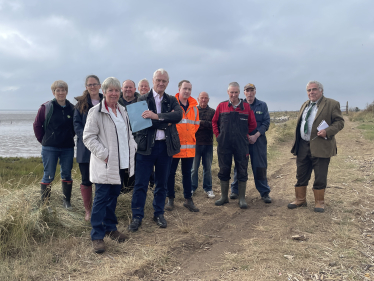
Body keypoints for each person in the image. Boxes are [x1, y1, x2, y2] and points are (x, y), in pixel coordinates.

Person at [83, 77, 137, 253]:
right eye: (110, 90)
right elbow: (88, 137)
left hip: (120, 163)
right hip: (105, 164)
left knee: (113, 197)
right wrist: (104, 154)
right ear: (104, 92)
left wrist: (132, 147)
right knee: (101, 200)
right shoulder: (96, 112)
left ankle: (110, 228)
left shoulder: (122, 111)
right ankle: (97, 236)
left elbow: (127, 134)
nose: (114, 93)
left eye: (116, 90)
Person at [128, 69, 183, 232]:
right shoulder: (142, 99)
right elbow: (138, 124)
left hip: (165, 147)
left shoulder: (172, 100)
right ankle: (137, 216)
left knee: (161, 183)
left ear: (167, 83)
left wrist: (155, 116)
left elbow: (178, 116)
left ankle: (158, 213)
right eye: (158, 80)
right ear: (153, 81)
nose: (161, 83)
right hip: (145, 148)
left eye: (164, 81)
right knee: (141, 184)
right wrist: (166, 120)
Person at [288, 81, 344, 213]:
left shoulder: (331, 104)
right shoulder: (305, 105)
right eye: (308, 90)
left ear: (321, 91)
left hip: (321, 145)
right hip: (303, 144)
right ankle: (300, 199)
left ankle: (319, 202)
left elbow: (340, 122)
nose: (311, 92)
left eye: (314, 90)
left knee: (320, 174)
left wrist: (328, 131)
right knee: (301, 173)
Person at [212, 82, 257, 209]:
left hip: (241, 144)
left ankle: (242, 198)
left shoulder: (246, 107)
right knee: (224, 169)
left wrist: (244, 135)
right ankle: (224, 197)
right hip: (224, 144)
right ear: (228, 92)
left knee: (242, 169)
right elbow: (214, 122)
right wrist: (218, 136)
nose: (233, 94)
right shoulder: (221, 106)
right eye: (231, 92)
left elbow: (252, 124)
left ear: (239, 93)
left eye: (236, 92)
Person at [33, 80, 75, 212]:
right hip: (50, 147)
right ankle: (45, 204)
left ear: (66, 92)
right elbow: (37, 125)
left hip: (68, 147)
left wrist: (69, 136)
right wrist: (43, 140)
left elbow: (75, 126)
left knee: (67, 174)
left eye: (63, 90)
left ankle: (66, 201)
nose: (61, 93)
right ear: (53, 92)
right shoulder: (46, 108)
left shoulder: (72, 108)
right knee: (49, 175)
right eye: (58, 90)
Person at [230, 83, 272, 203]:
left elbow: (266, 122)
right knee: (240, 166)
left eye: (251, 90)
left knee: (260, 167)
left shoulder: (262, 105)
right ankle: (235, 190)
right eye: (247, 91)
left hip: (258, 142)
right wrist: (246, 136)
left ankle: (264, 192)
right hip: (243, 142)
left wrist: (256, 135)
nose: (249, 93)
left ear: (255, 91)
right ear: (244, 93)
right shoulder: (239, 106)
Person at [165, 80, 200, 212]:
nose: (187, 91)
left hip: (189, 148)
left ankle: (188, 200)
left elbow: (195, 126)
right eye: (185, 88)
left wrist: (188, 137)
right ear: (179, 89)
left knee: (187, 174)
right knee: (170, 174)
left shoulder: (194, 108)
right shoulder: (171, 105)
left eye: (189, 89)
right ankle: (170, 199)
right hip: (174, 147)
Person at [73, 75, 103, 221]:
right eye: (90, 85)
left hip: (103, 147)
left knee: (101, 180)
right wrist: (87, 137)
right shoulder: (80, 105)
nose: (92, 87)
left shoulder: (106, 101)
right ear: (86, 87)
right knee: (86, 180)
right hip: (85, 149)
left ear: (100, 85)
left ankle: (99, 209)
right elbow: (76, 125)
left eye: (95, 84)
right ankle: (88, 211)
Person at [191, 91, 216, 198]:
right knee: (194, 168)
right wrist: (205, 124)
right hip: (195, 143)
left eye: (205, 98)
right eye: (202, 98)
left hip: (208, 143)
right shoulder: (194, 110)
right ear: (198, 99)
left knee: (208, 168)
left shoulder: (213, 112)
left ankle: (208, 188)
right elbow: (192, 126)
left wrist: (201, 122)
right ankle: (192, 188)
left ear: (208, 99)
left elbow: (214, 125)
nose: (203, 100)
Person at [118, 79, 139, 193]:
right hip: (119, 142)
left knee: (134, 168)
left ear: (135, 89)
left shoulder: (141, 102)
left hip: (136, 142)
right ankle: (121, 192)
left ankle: (131, 192)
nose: (128, 89)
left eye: (130, 87)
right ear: (122, 89)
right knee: (121, 169)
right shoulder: (115, 102)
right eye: (126, 87)